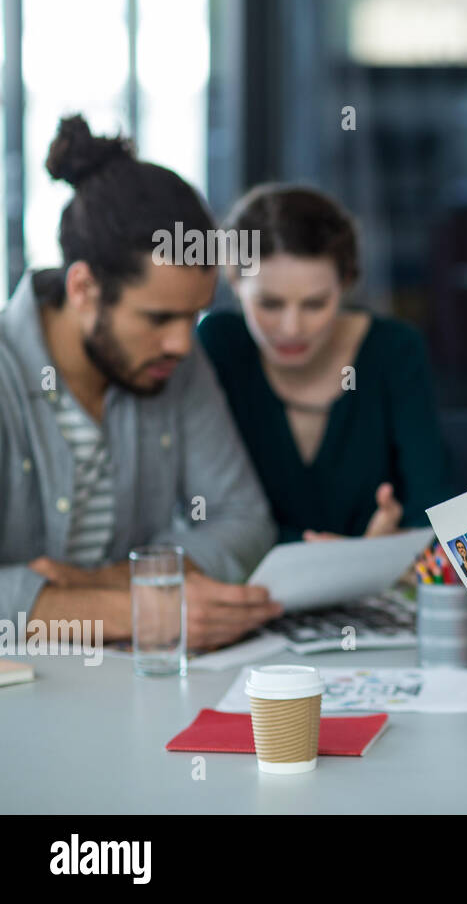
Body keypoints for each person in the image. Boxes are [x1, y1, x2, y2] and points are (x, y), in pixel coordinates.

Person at [0, 115, 279, 649]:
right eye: (157, 318)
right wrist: (138, 611)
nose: (181, 342)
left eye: (194, 315)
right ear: (83, 287)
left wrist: (107, 583)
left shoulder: (174, 361)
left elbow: (243, 520)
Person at [196, 184, 452, 543]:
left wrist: (392, 542)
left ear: (345, 284)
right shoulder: (219, 346)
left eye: (315, 304)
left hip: (380, 588)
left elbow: (435, 505)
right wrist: (325, 555)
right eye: (269, 304)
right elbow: (198, 511)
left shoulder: (395, 349)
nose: (292, 328)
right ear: (235, 280)